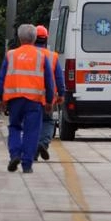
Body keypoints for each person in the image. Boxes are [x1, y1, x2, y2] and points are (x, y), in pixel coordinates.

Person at [0, 24, 55, 174]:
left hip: (14, 99)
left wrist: (0, 99)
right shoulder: (41, 56)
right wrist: (49, 101)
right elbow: (49, 80)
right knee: (32, 131)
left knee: (14, 127)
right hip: (34, 100)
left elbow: (1, 79)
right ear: (34, 38)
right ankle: (27, 164)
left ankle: (15, 154)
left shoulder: (11, 55)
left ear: (19, 38)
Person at [34, 25, 66, 160]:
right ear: (46, 39)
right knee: (48, 122)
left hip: (30, 96)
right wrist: (61, 94)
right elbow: (59, 77)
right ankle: (43, 143)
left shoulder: (27, 55)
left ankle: (32, 147)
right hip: (49, 97)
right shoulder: (52, 56)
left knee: (32, 122)